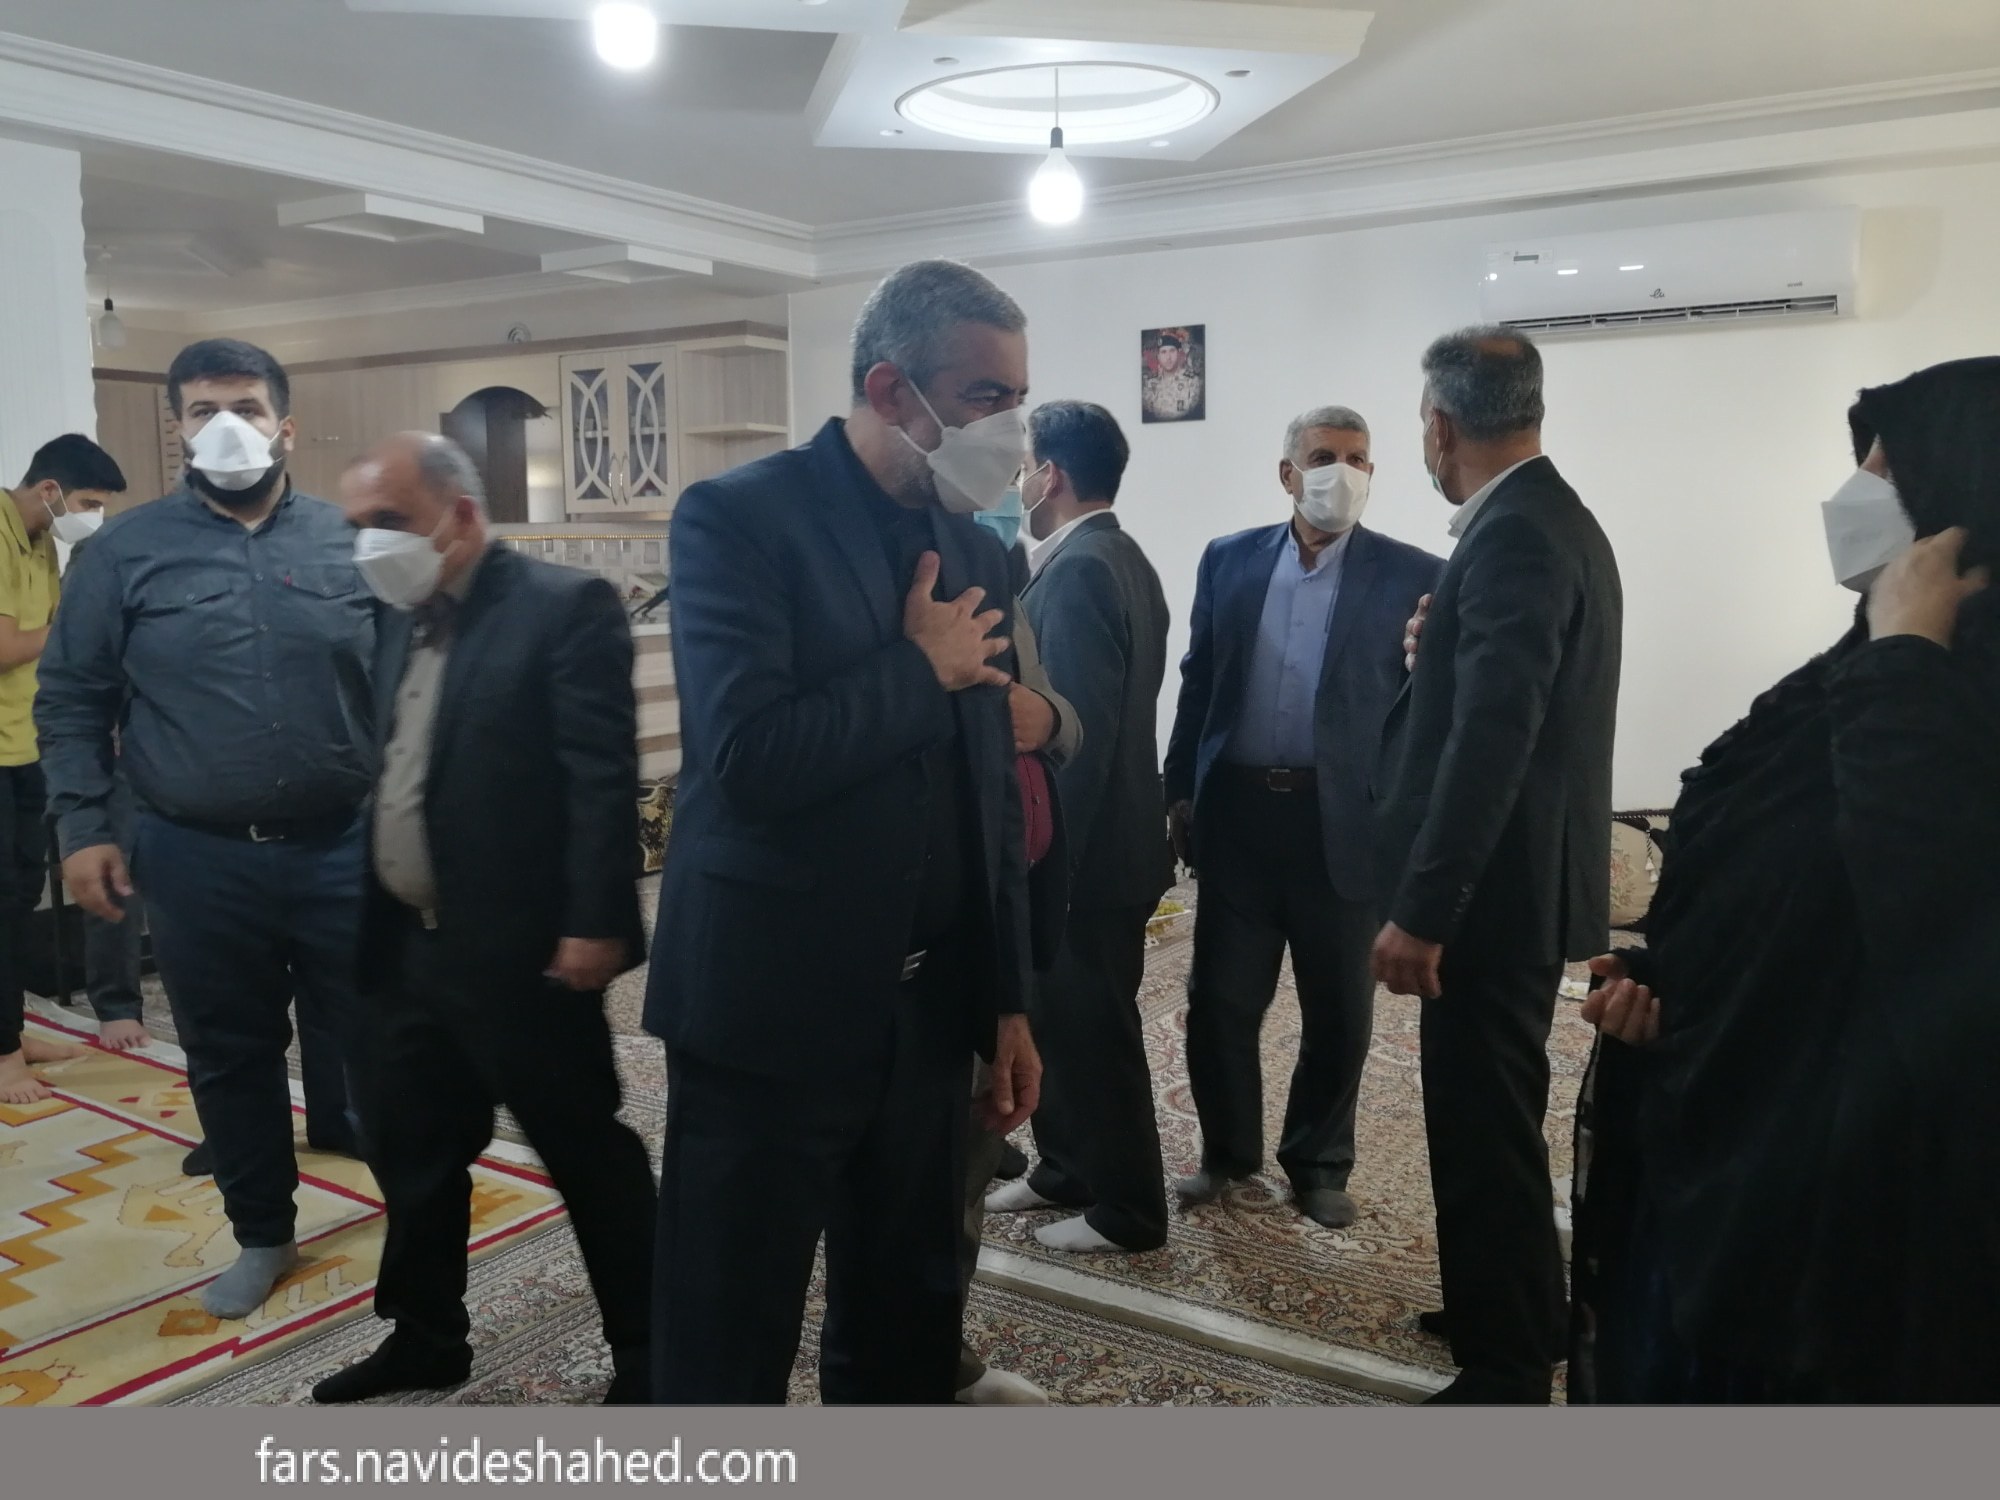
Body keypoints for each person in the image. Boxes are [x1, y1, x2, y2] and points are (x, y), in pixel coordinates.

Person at [646, 259, 1042, 1405]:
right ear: (888, 388)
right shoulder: (738, 519)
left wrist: (1005, 998)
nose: (1009, 428)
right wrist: (918, 670)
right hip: (767, 1014)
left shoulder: (979, 547)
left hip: (925, 1016)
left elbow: (986, 790)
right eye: (982, 397)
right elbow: (747, 761)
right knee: (727, 1338)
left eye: (1017, 398)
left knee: (905, 1324)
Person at [1570, 358, 2000, 1404]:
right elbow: (1778, 888)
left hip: (1851, 1229)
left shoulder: (1933, 688)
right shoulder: (1848, 673)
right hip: (1725, 1150)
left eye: (1886, 467)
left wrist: (1908, 664)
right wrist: (1669, 986)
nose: (1855, 491)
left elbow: (1932, 916)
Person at [312, 433, 656, 1404]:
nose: (370, 543)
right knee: (413, 1155)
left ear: (461, 515)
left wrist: (595, 920)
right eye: (357, 525)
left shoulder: (563, 606)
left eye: (389, 520)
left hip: (523, 952)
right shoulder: (396, 616)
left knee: (586, 1153)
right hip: (402, 948)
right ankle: (426, 1336)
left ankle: (651, 1350)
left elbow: (600, 776)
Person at [37, 339, 373, 1321]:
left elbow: (408, 684)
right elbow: (73, 697)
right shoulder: (121, 553)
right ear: (177, 429)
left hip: (345, 847)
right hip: (195, 856)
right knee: (230, 1053)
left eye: (246, 407)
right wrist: (84, 827)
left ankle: (417, 1212)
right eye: (202, 409)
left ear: (285, 426)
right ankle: (264, 1232)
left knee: (384, 1038)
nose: (226, 426)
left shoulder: (353, 540)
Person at [1371, 327, 1622, 1405]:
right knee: (1488, 1113)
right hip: (1516, 884)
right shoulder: (1544, 516)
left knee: (1485, 1125)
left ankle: (1509, 1365)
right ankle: (1507, 1305)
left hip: (1491, 898)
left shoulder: (1516, 531)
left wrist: (1424, 911)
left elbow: (1494, 739)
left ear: (1438, 425)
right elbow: (1493, 696)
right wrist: (1431, 654)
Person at [1164, 407, 1443, 1230]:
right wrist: (1176, 786)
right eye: (1324, 456)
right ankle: (1226, 1154)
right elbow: (1200, 678)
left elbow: (1425, 711)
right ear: (1288, 473)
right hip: (1241, 814)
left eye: (1359, 458)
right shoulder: (1228, 559)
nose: (1342, 472)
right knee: (1221, 1001)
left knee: (1339, 1010)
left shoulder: (1415, 572)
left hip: (1346, 822)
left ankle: (1319, 1163)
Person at [984, 399, 1173, 1254]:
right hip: (1109, 849)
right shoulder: (1115, 555)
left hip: (1089, 863)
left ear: (1050, 475)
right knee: (1059, 1022)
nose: (1019, 479)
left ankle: (1128, 1209)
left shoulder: (1083, 570)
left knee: (1096, 1034)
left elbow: (1076, 741)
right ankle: (1064, 1168)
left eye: (1025, 464)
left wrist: (1043, 871)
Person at [955, 513, 1078, 1406]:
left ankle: (939, 1353)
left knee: (969, 1147)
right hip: (935, 923)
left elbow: (1051, 713)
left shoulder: (990, 562)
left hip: (1014, 906)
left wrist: (1053, 719)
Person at [0, 435, 123, 1103]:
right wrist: (77, 627)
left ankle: (13, 1033)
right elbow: (6, 646)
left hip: (26, 743)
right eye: (89, 504)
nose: (93, 519)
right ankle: (2, 1057)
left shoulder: (43, 541)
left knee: (21, 899)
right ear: (50, 490)